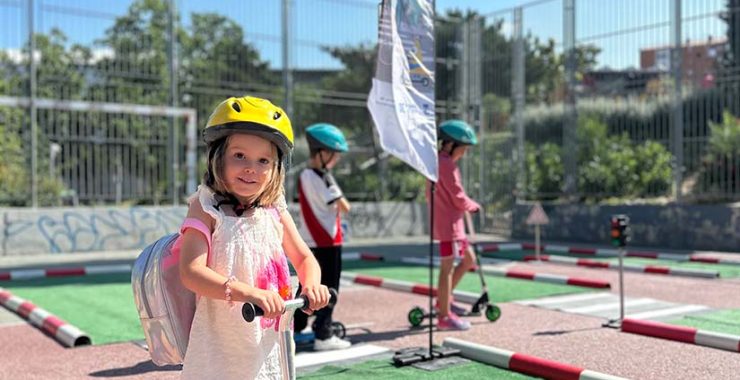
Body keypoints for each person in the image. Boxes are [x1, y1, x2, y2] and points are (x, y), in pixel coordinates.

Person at [178, 96, 330, 379]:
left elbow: (304, 257)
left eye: (263, 161)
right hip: (222, 340)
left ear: (275, 169)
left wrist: (312, 285)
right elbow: (191, 272)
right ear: (217, 157)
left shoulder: (273, 209)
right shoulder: (206, 207)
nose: (251, 168)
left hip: (268, 334)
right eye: (239, 156)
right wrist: (248, 293)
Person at [294, 123, 352, 351]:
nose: (336, 160)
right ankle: (324, 333)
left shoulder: (303, 176)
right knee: (329, 288)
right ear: (323, 153)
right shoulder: (324, 177)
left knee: (306, 285)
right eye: (335, 155)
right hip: (327, 240)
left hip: (310, 240)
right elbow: (344, 206)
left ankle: (297, 329)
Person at [427, 119, 481, 331]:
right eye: (463, 148)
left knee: (469, 259)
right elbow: (457, 195)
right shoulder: (445, 164)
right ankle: (443, 316)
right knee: (447, 269)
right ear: (450, 145)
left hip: (453, 223)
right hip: (448, 224)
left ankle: (444, 300)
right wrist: (473, 205)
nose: (464, 153)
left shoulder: (441, 162)